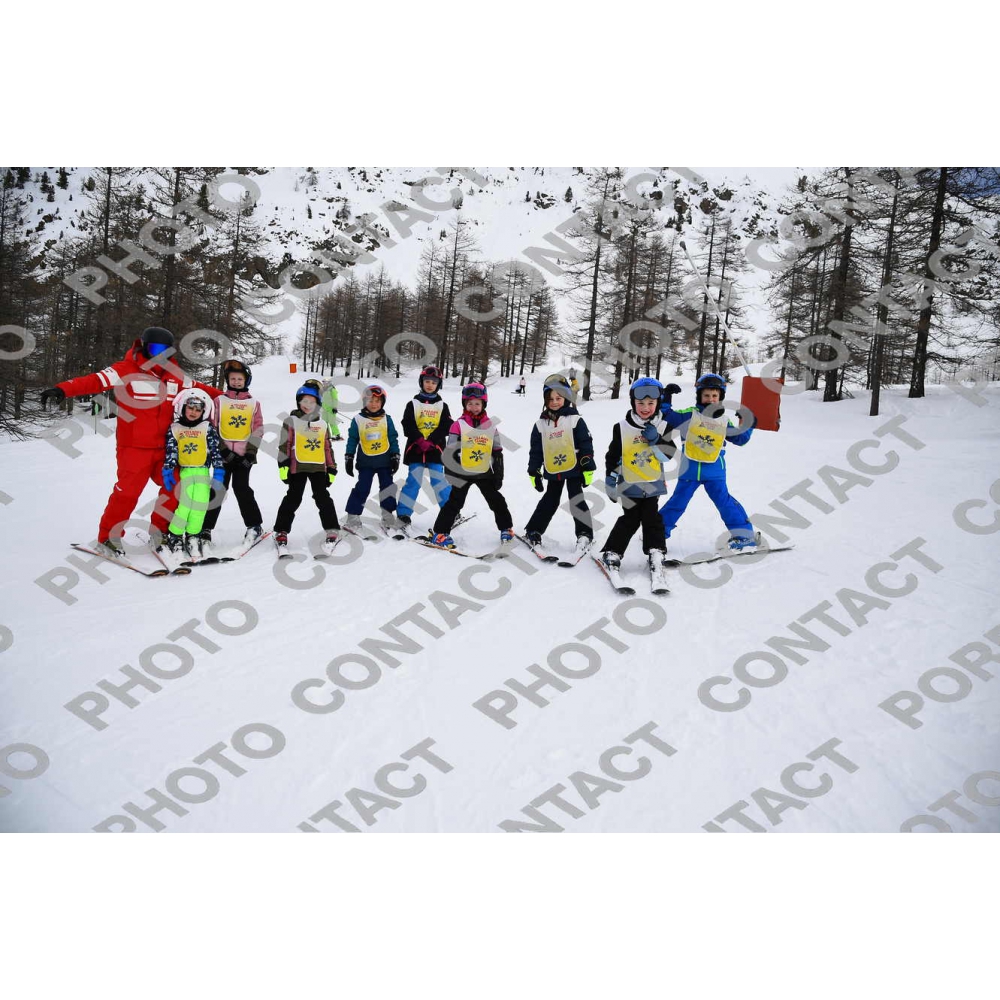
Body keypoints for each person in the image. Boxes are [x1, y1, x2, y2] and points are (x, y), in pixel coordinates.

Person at [40, 326, 221, 556]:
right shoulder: (125, 370)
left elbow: (201, 390)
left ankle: (160, 532)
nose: (160, 354)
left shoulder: (176, 375)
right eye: (155, 348)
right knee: (127, 493)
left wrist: (231, 397)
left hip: (165, 448)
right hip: (134, 448)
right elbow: (95, 381)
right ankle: (109, 538)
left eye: (165, 350)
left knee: (175, 487)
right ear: (144, 347)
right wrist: (62, 389)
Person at [657, 372, 756, 551]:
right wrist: (666, 396)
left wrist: (749, 423)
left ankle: (744, 536)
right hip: (689, 471)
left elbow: (741, 439)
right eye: (706, 395)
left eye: (714, 396)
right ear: (699, 396)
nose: (710, 399)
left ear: (720, 397)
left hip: (715, 473)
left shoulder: (723, 421)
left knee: (725, 503)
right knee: (677, 503)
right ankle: (656, 533)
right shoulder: (690, 415)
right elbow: (667, 416)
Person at [600, 377, 676, 574]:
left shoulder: (664, 427)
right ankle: (612, 551)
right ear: (633, 402)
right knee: (631, 518)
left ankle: (656, 550)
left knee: (652, 518)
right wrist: (610, 479)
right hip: (629, 484)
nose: (645, 407)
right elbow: (614, 455)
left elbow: (667, 456)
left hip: (653, 484)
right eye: (640, 403)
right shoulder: (621, 427)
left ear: (658, 403)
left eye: (651, 403)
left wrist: (655, 440)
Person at [428, 382, 513, 549]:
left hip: (484, 472)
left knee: (496, 501)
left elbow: (497, 451)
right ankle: (440, 533)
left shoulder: (490, 426)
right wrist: (450, 472)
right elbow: (450, 451)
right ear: (464, 404)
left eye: (477, 403)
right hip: (462, 472)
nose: (474, 407)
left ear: (483, 404)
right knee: (454, 503)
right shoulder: (458, 425)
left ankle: (506, 528)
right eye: (470, 403)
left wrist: (498, 473)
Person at [523, 374, 596, 556]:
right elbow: (536, 451)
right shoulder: (540, 425)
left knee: (576, 500)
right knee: (550, 500)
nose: (554, 402)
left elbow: (586, 444)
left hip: (574, 468)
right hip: (553, 469)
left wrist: (588, 466)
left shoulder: (575, 420)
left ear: (566, 398)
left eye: (558, 398)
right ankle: (534, 530)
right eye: (550, 399)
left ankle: (584, 534)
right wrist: (534, 471)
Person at [201, 360, 264, 555]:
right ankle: (205, 529)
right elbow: (212, 427)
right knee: (217, 490)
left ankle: (254, 525)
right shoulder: (219, 401)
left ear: (246, 380)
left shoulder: (253, 404)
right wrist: (223, 451)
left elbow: (257, 429)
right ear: (228, 380)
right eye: (232, 378)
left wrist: (251, 453)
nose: (236, 381)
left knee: (242, 488)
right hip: (223, 457)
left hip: (244, 457)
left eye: (240, 379)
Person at [161, 388, 226, 564]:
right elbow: (171, 451)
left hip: (203, 472)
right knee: (184, 506)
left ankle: (193, 536)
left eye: (198, 409)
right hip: (186, 472)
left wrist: (218, 471)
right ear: (183, 407)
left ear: (203, 412)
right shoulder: (175, 428)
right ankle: (175, 536)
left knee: (200, 506)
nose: (193, 412)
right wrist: (168, 469)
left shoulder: (207, 428)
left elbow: (215, 450)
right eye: (190, 407)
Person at [274, 381, 340, 553]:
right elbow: (284, 444)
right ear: (298, 402)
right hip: (298, 467)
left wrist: (331, 468)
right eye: (304, 401)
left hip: (318, 468)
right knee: (293, 497)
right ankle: (281, 530)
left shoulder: (323, 424)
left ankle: (332, 528)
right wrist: (283, 465)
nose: (308, 405)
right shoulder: (291, 421)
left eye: (312, 402)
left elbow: (327, 447)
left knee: (323, 497)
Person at [397, 364, 452, 530]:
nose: (430, 385)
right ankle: (403, 513)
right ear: (421, 382)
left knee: (438, 480)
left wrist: (432, 440)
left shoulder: (442, 405)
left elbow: (446, 425)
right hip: (416, 449)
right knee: (413, 481)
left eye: (434, 382)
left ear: (438, 385)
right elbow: (407, 424)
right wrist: (420, 440)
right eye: (427, 381)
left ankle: (450, 511)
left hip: (435, 449)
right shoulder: (413, 404)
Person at [343, 384, 400, 533]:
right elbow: (352, 439)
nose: (374, 404)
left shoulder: (387, 419)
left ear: (382, 403)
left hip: (385, 461)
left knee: (387, 487)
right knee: (362, 488)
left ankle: (387, 516)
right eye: (370, 401)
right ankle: (353, 516)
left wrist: (395, 455)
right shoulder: (358, 420)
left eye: (377, 401)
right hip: (366, 462)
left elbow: (393, 438)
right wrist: (349, 456)